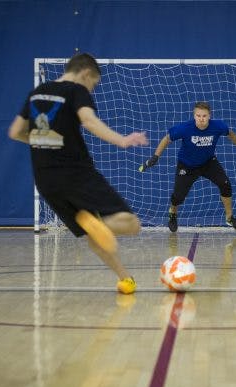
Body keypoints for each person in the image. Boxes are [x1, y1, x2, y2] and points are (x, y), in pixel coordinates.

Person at [8, 53, 148, 294]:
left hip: (45, 179)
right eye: (93, 84)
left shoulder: (37, 92)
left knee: (93, 233)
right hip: (75, 173)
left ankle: (125, 278)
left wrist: (44, 141)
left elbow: (16, 132)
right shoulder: (75, 90)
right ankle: (97, 224)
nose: (92, 90)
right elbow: (89, 121)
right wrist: (123, 140)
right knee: (131, 223)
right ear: (85, 74)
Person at [140, 101, 236, 232]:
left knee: (225, 184)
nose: (201, 119)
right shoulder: (185, 128)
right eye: (198, 116)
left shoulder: (218, 126)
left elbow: (230, 133)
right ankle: (173, 213)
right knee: (178, 196)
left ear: (209, 116)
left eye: (204, 116)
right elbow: (167, 139)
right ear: (194, 116)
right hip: (187, 165)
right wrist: (156, 156)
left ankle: (229, 217)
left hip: (208, 162)